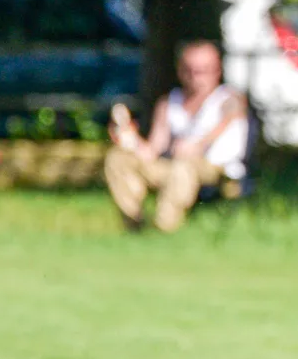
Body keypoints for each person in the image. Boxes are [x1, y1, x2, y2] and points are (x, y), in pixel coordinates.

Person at [104, 40, 250, 232]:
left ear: (217, 71)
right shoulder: (169, 103)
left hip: (215, 168)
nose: (196, 77)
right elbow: (152, 150)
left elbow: (229, 118)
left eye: (203, 70)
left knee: (183, 166)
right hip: (173, 166)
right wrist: (129, 138)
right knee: (118, 159)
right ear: (180, 71)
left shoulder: (229, 99)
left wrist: (197, 144)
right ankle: (134, 224)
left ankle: (163, 228)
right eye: (190, 70)